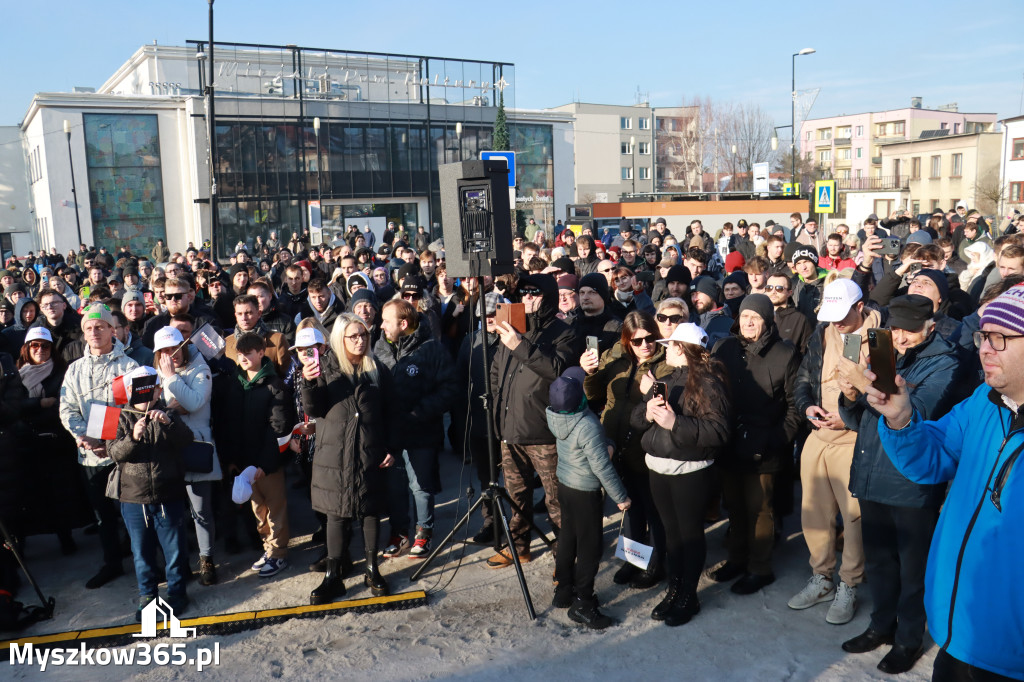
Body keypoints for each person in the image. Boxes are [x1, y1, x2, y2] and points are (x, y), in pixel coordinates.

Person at [865, 285, 1024, 681]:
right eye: (983, 335)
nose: (985, 348)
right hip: (957, 627)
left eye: (1000, 338)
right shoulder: (983, 401)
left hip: (1011, 651)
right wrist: (901, 419)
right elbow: (932, 459)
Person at [833, 295, 960, 675]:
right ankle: (880, 624)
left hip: (911, 484)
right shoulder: (880, 353)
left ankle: (908, 638)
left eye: (911, 330)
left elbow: (916, 414)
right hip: (871, 472)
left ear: (931, 328)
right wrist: (850, 393)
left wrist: (867, 385)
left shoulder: (945, 363)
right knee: (880, 561)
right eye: (896, 329)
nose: (902, 338)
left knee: (912, 568)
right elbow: (857, 419)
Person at [790, 278, 879, 624]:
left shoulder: (879, 339)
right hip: (818, 435)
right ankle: (821, 577)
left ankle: (849, 583)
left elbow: (888, 396)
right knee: (814, 511)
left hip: (853, 438)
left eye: (842, 315)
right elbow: (803, 379)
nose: (836, 322)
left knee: (853, 518)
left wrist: (847, 419)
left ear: (860, 307)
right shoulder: (821, 333)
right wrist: (806, 407)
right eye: (831, 315)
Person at [630, 323, 730, 626]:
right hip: (658, 467)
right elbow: (636, 420)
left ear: (685, 350)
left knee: (689, 534)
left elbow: (719, 431)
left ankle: (689, 595)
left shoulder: (709, 384)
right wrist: (647, 411)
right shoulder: (665, 378)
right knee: (671, 533)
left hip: (690, 471)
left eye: (672, 344)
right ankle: (675, 588)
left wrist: (675, 423)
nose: (666, 349)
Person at [709, 294, 800, 594]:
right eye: (745, 316)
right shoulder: (724, 347)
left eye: (755, 318)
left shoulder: (785, 354)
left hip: (766, 447)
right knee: (733, 505)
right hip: (730, 441)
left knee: (759, 510)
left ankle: (760, 568)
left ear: (767, 321)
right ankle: (736, 559)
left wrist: (775, 441)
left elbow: (794, 406)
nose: (748, 322)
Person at [488, 273, 576, 568]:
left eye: (534, 293)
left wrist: (519, 344)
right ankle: (519, 547)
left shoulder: (564, 332)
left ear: (548, 297)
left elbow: (556, 370)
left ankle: (563, 558)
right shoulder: (513, 327)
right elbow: (496, 374)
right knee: (517, 497)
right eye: (523, 292)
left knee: (556, 501)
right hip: (510, 430)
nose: (527, 298)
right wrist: (496, 415)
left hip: (544, 433)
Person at [301, 314, 391, 604]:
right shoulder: (325, 368)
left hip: (369, 452)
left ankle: (371, 568)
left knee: (370, 510)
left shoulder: (377, 370)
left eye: (363, 335)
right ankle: (333, 575)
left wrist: (392, 445)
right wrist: (309, 381)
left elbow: (394, 413)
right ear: (340, 339)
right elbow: (314, 408)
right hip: (334, 455)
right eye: (353, 336)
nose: (360, 340)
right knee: (336, 514)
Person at [582, 311, 671, 590]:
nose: (645, 345)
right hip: (615, 443)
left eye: (650, 338)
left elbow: (665, 407)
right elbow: (593, 395)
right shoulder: (615, 355)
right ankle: (633, 561)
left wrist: (650, 389)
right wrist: (590, 372)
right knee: (631, 509)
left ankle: (656, 564)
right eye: (637, 341)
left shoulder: (666, 363)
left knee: (653, 509)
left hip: (645, 446)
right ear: (626, 341)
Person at [59, 303, 140, 589]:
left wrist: (112, 442)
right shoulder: (75, 370)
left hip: (124, 455)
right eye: (89, 328)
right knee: (103, 517)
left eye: (100, 326)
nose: (94, 332)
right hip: (91, 458)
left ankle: (146, 563)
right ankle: (112, 564)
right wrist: (87, 438)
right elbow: (67, 409)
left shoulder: (129, 366)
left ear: (111, 330)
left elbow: (135, 408)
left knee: (134, 514)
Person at [546, 366, 630, 629]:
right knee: (590, 546)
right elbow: (602, 466)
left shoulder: (555, 416)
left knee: (568, 536)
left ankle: (563, 590)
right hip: (585, 491)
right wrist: (621, 497)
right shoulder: (588, 424)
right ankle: (583, 602)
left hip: (566, 485)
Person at [107, 366, 194, 620]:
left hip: (169, 494)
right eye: (141, 390)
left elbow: (186, 440)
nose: (148, 396)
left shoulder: (168, 413)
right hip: (134, 497)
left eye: (153, 389)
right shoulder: (118, 415)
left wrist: (168, 423)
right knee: (142, 553)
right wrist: (133, 436)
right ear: (131, 391)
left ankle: (177, 593)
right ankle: (147, 596)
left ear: (158, 391)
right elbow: (114, 453)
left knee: (175, 551)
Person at [374, 299, 456, 558]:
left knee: (420, 485)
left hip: (422, 431)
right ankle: (399, 533)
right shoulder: (379, 347)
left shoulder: (433, 350)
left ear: (404, 323)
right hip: (390, 433)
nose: (381, 325)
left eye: (387, 321)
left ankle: (424, 531)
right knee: (395, 485)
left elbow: (450, 390)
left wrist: (419, 411)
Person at [214, 332, 295, 578]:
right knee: (258, 511)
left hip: (266, 464)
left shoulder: (275, 385)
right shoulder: (235, 384)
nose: (244, 358)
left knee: (275, 510)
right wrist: (232, 462)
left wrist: (265, 464)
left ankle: (279, 554)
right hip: (244, 464)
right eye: (240, 354)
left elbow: (278, 429)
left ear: (261, 353)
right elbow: (228, 425)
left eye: (249, 353)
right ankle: (268, 549)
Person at [153, 324, 222, 587]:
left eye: (175, 347)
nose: (172, 354)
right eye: (165, 350)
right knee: (171, 513)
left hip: (196, 446)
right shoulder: (156, 372)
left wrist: (171, 380)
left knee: (201, 511)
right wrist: (172, 407)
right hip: (168, 451)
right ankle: (178, 562)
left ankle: (207, 559)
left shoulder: (200, 368)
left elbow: (194, 403)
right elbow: (156, 405)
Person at [16, 327, 89, 554]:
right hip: (28, 443)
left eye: (45, 346)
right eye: (34, 346)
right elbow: (12, 407)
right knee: (33, 494)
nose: (40, 350)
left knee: (61, 493)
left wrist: (42, 408)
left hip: (56, 442)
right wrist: (37, 404)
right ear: (27, 349)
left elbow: (62, 405)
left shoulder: (62, 372)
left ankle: (65, 537)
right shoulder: (18, 375)